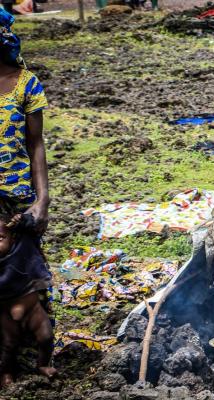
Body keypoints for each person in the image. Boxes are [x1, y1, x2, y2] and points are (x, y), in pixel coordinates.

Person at [0, 9, 53, 386]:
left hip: (17, 197)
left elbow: (36, 145)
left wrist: (41, 200)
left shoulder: (26, 84)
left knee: (28, 276)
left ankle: (40, 356)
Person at [1, 215, 54, 386]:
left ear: (12, 237)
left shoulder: (22, 247)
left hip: (33, 310)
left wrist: (22, 220)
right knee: (8, 345)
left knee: (46, 337)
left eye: (0, 238)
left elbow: (32, 226)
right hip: (6, 313)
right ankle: (6, 373)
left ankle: (43, 365)